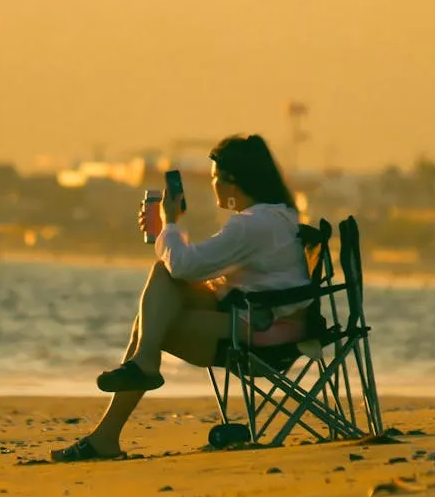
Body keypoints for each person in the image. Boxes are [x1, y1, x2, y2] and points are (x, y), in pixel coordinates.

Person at [50, 134, 312, 462]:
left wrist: (170, 224)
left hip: (261, 334)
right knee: (161, 290)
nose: (213, 184)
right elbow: (188, 267)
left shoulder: (251, 225)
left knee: (155, 324)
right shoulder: (276, 217)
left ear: (233, 181)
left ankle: (115, 419)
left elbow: (186, 265)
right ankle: (139, 371)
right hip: (260, 317)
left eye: (215, 177)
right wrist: (168, 234)